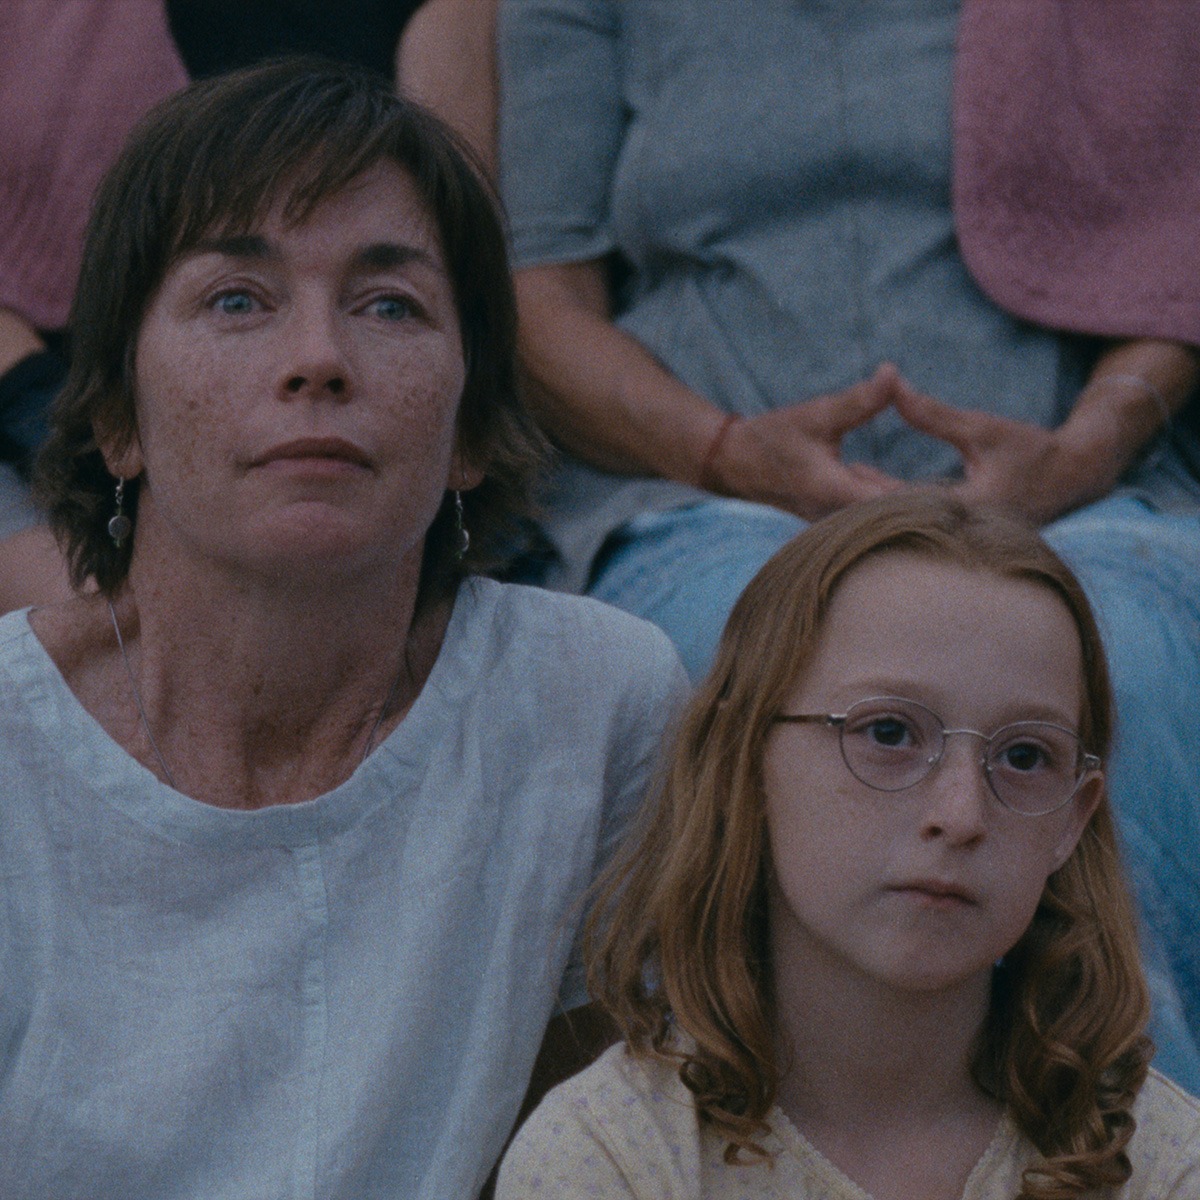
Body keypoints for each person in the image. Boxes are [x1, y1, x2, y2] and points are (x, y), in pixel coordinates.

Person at [0, 60, 685, 1198]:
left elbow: (604, 1143)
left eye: (388, 305)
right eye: (237, 299)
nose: (318, 358)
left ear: (471, 429)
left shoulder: (590, 702)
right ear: (118, 418)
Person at [496, 0, 1200, 1086]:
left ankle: (1123, 1136)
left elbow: (1174, 258)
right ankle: (722, 1134)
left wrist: (1084, 448)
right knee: (744, 651)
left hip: (1072, 499)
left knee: (1115, 665)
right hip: (711, 499)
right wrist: (727, 449)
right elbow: (538, 300)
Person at [498, 492, 1200, 1200]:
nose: (960, 816)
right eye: (888, 734)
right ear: (744, 764)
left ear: (1073, 819)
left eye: (1023, 757)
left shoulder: (1159, 1158)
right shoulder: (611, 1157)